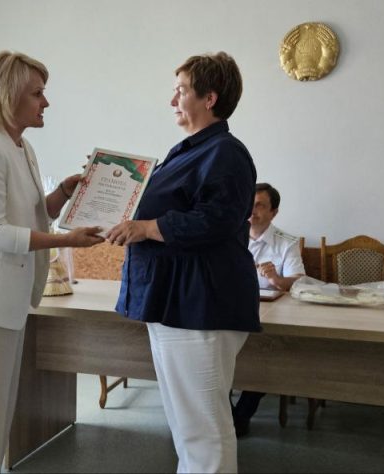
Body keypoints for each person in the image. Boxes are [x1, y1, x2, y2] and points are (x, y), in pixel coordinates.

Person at [0, 51, 103, 473]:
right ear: (9, 94)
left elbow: (29, 213)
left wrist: (62, 194)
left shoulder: (20, 147)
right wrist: (66, 240)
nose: (45, 102)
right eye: (37, 93)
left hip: (6, 303)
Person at [106, 52, 258, 473]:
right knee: (186, 427)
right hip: (174, 303)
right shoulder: (189, 151)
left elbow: (217, 219)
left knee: (203, 430)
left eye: (181, 91)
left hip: (200, 305)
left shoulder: (226, 152)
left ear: (210, 98)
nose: (172, 100)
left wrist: (147, 227)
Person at [231, 182, 306, 437]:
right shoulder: (229, 238)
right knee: (218, 359)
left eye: (259, 206)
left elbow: (299, 281)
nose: (252, 211)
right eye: (248, 205)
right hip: (232, 312)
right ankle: (226, 415)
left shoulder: (286, 243)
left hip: (271, 317)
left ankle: (241, 417)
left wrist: (277, 279)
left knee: (263, 363)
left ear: (274, 212)